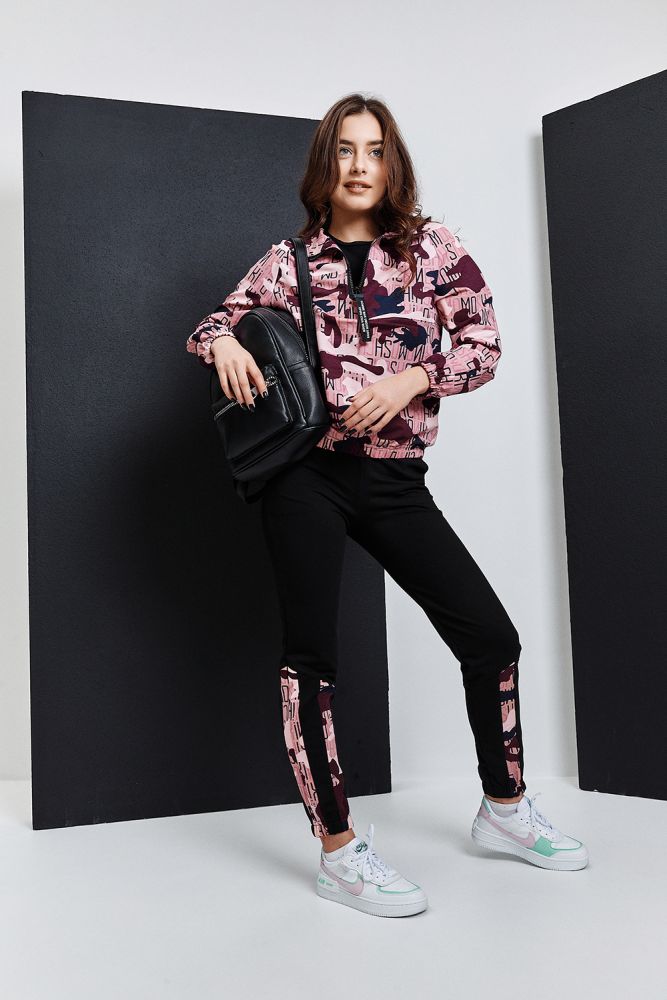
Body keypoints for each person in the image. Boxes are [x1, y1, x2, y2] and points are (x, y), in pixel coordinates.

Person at [186, 93, 589, 919]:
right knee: (311, 660)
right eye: (344, 149)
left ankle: (504, 808)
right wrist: (222, 339)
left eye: (374, 150)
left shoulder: (430, 249)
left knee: (490, 637)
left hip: (395, 479)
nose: (360, 165)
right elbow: (210, 325)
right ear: (324, 164)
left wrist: (413, 377)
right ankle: (338, 851)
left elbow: (482, 345)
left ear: (391, 163)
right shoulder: (287, 261)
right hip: (306, 474)